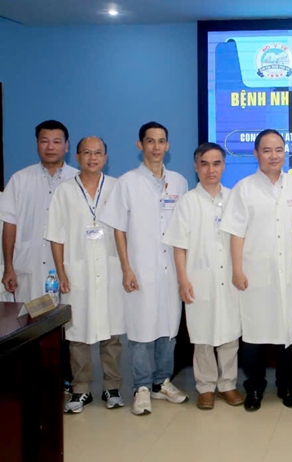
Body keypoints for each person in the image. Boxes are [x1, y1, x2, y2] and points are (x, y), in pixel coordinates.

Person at [99, 121, 189, 416]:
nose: (156, 147)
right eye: (150, 141)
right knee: (140, 329)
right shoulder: (127, 182)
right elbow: (119, 229)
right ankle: (141, 387)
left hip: (171, 269)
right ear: (140, 145)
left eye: (161, 141)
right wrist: (126, 268)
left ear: (168, 145)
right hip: (140, 267)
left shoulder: (179, 182)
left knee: (168, 328)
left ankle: (161, 382)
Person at [220, 129, 292, 412]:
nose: (273, 155)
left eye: (278, 149)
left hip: (289, 274)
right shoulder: (243, 188)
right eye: (267, 150)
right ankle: (254, 387)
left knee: (288, 334)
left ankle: (286, 386)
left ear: (285, 152)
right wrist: (237, 269)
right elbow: (236, 233)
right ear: (256, 153)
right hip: (254, 274)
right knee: (254, 335)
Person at [45, 136, 126, 414]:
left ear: (106, 157)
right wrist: (61, 271)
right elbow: (55, 235)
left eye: (98, 153)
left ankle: (112, 387)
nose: (93, 157)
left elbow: (123, 231)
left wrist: (127, 268)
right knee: (77, 333)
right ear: (77, 157)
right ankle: (81, 390)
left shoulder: (115, 187)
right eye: (87, 152)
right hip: (77, 270)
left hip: (110, 269)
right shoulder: (64, 191)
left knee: (112, 333)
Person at [162, 142, 243, 411]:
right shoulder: (187, 202)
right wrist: (183, 280)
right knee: (202, 335)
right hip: (199, 279)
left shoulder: (234, 199)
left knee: (230, 335)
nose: (211, 170)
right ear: (196, 167)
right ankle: (206, 387)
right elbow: (179, 246)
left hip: (230, 278)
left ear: (224, 166)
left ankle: (228, 384)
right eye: (205, 164)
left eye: (216, 163)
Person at [0, 120, 79, 304]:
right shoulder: (20, 179)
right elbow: (9, 226)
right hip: (29, 267)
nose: (50, 147)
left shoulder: (78, 180)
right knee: (31, 318)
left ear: (66, 146)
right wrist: (8, 267)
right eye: (44, 141)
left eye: (56, 142)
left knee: (69, 319)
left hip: (69, 268)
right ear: (37, 144)